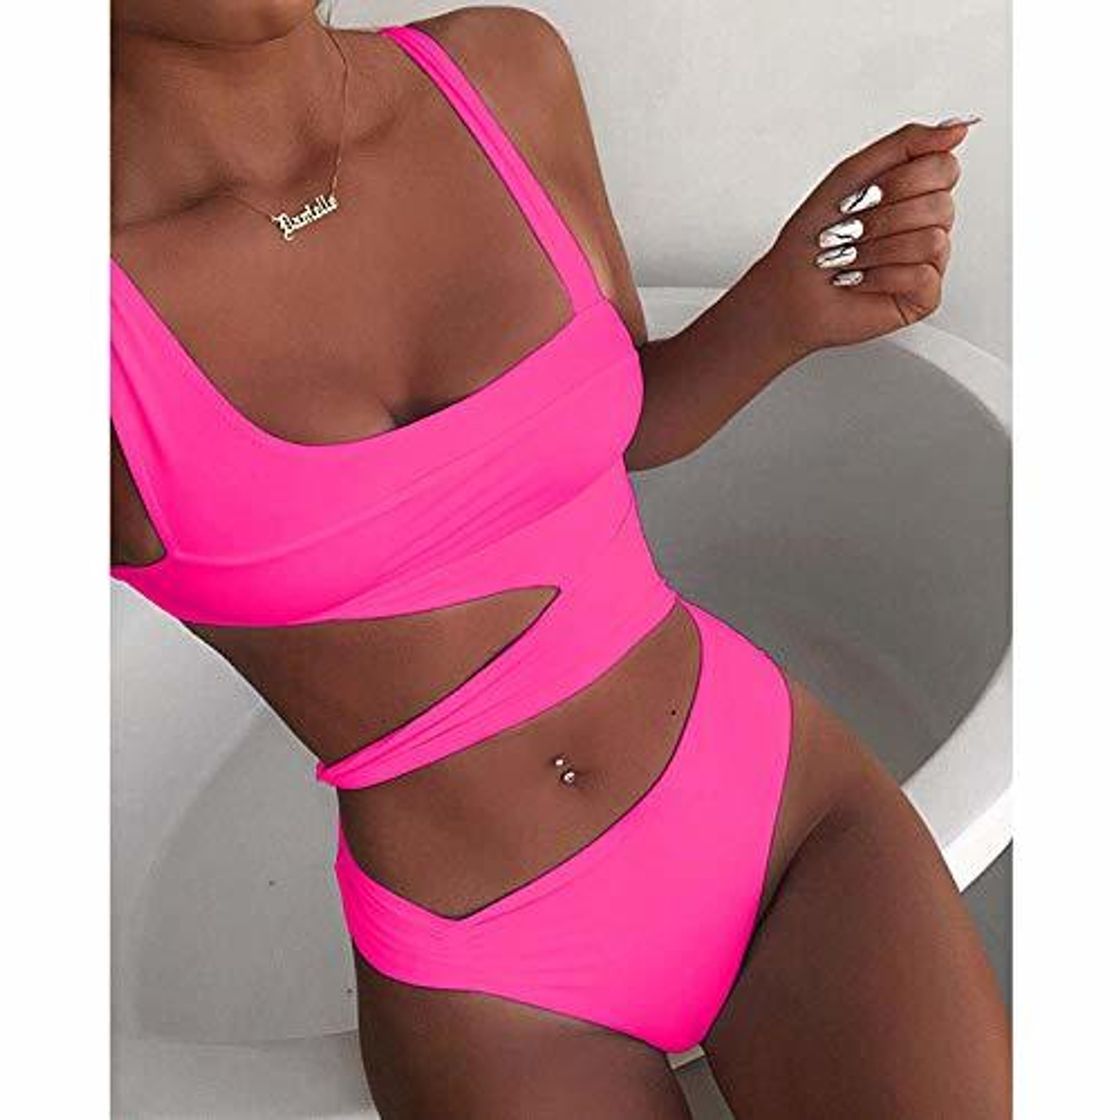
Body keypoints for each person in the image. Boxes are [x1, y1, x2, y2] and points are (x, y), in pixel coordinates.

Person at [110, 3, 1010, 1115]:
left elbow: (622, 424)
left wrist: (783, 309)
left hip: (781, 820)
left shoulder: (501, 73)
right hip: (491, 980)